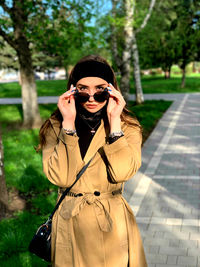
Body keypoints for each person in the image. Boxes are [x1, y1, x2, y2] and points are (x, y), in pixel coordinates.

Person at [38, 55, 147, 267]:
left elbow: (122, 173)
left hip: (111, 223)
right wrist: (68, 125)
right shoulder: (56, 126)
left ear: (111, 90)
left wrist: (115, 123)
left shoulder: (128, 126)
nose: (91, 97)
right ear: (71, 90)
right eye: (82, 88)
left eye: (100, 89)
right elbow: (60, 177)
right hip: (70, 222)